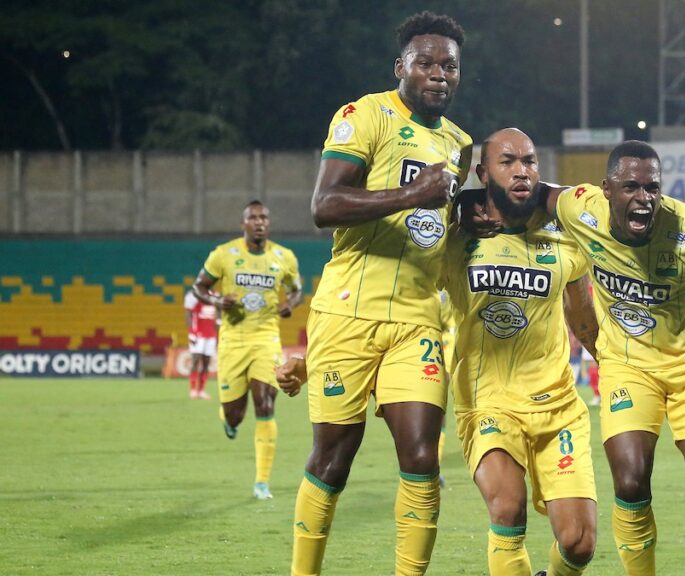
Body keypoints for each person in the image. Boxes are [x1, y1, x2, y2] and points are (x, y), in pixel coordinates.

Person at [288, 12, 473, 576]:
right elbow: (324, 206)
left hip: (417, 322)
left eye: (450, 66)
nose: (439, 74)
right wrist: (411, 193)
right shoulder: (365, 114)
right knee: (333, 459)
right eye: (426, 63)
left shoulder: (460, 145)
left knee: (422, 456)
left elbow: (439, 235)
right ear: (401, 67)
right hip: (347, 314)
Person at [541, 141, 685, 575]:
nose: (644, 198)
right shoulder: (580, 209)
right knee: (630, 480)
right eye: (631, 186)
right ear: (606, 189)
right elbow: (537, 194)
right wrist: (475, 204)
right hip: (628, 367)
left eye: (652, 188)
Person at [446, 128, 600, 575]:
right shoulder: (456, 239)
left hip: (557, 408)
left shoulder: (564, 239)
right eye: (508, 161)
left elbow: (582, 316)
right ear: (482, 173)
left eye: (530, 161)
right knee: (507, 508)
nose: (521, 171)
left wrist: (615, 364)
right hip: (487, 403)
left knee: (579, 542)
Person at [192, 199, 304, 500]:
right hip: (232, 341)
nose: (260, 222)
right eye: (253, 218)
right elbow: (198, 287)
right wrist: (218, 301)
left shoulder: (284, 257)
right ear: (244, 224)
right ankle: (228, 421)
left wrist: (289, 305)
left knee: (266, 403)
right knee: (235, 414)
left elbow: (297, 290)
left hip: (266, 339)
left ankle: (262, 482)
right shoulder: (223, 255)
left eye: (264, 217)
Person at [184, 288, 217, 400]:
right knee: (196, 360)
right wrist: (191, 333)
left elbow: (217, 314)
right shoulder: (193, 295)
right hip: (198, 334)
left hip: (211, 335)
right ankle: (193, 390)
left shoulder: (215, 295)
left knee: (206, 363)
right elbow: (188, 314)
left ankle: (201, 390)